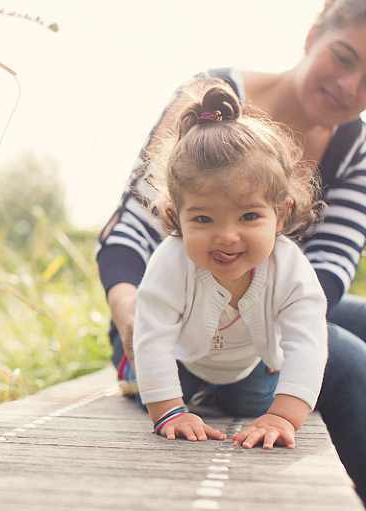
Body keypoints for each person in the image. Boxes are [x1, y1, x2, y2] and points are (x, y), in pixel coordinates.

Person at [95, 0, 366, 501]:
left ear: (283, 214)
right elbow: (129, 231)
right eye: (345, 57)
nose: (351, 86)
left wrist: (277, 338)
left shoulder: (355, 150)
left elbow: (326, 274)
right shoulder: (205, 106)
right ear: (312, 39)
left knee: (343, 323)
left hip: (269, 301)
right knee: (349, 360)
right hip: (174, 312)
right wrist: (131, 308)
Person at [132, 80, 328, 449]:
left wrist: (282, 416)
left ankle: (224, 395)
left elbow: (309, 341)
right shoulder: (171, 263)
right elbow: (153, 336)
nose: (226, 236)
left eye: (249, 216)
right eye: (203, 220)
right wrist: (169, 410)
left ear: (281, 213)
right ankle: (149, 381)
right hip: (183, 359)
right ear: (177, 216)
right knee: (154, 389)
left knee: (249, 403)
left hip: (247, 365)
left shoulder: (289, 267)